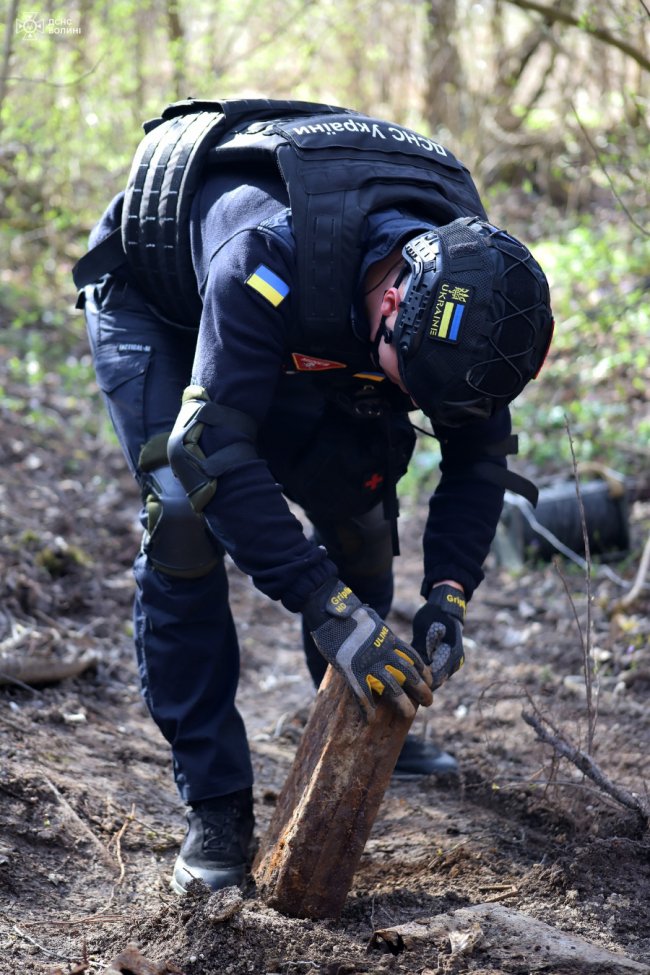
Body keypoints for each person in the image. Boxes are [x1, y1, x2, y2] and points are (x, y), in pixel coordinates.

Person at [73, 98, 553, 896]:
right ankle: (217, 804)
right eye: (420, 389)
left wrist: (448, 594)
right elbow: (213, 448)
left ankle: (347, 715)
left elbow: (477, 455)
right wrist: (323, 603)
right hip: (163, 298)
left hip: (323, 329)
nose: (429, 402)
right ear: (393, 305)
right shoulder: (263, 253)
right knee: (186, 510)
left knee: (363, 509)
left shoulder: (476, 303)